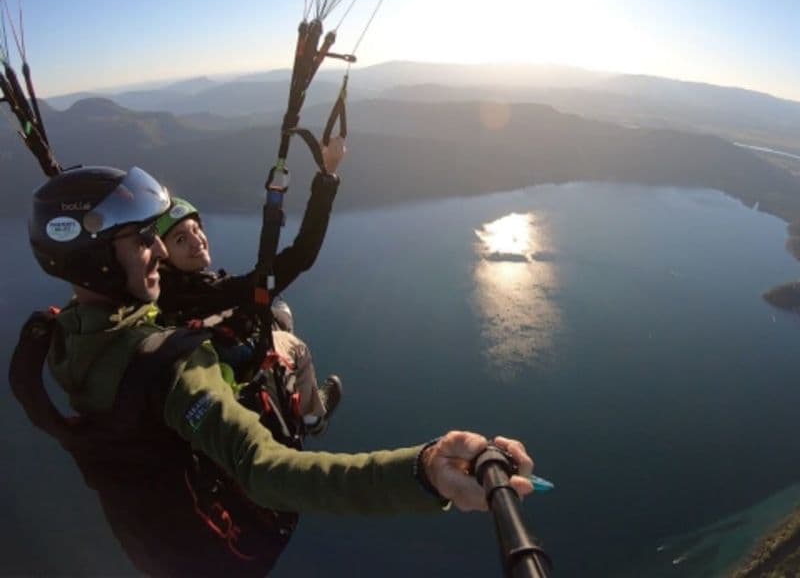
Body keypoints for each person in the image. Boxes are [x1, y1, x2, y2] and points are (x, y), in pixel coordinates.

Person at [12, 165, 534, 577]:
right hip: (221, 552)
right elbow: (266, 471)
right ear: (98, 262)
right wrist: (423, 472)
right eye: (142, 241)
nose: (159, 251)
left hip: (151, 547)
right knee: (283, 340)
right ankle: (310, 415)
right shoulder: (174, 367)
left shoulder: (58, 339)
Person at [153, 137, 346, 435]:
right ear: (162, 254)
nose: (196, 241)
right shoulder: (214, 292)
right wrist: (328, 176)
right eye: (181, 239)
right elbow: (302, 255)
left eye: (195, 229)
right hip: (237, 366)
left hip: (206, 358)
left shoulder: (156, 291)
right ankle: (312, 417)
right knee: (294, 344)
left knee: (277, 308)